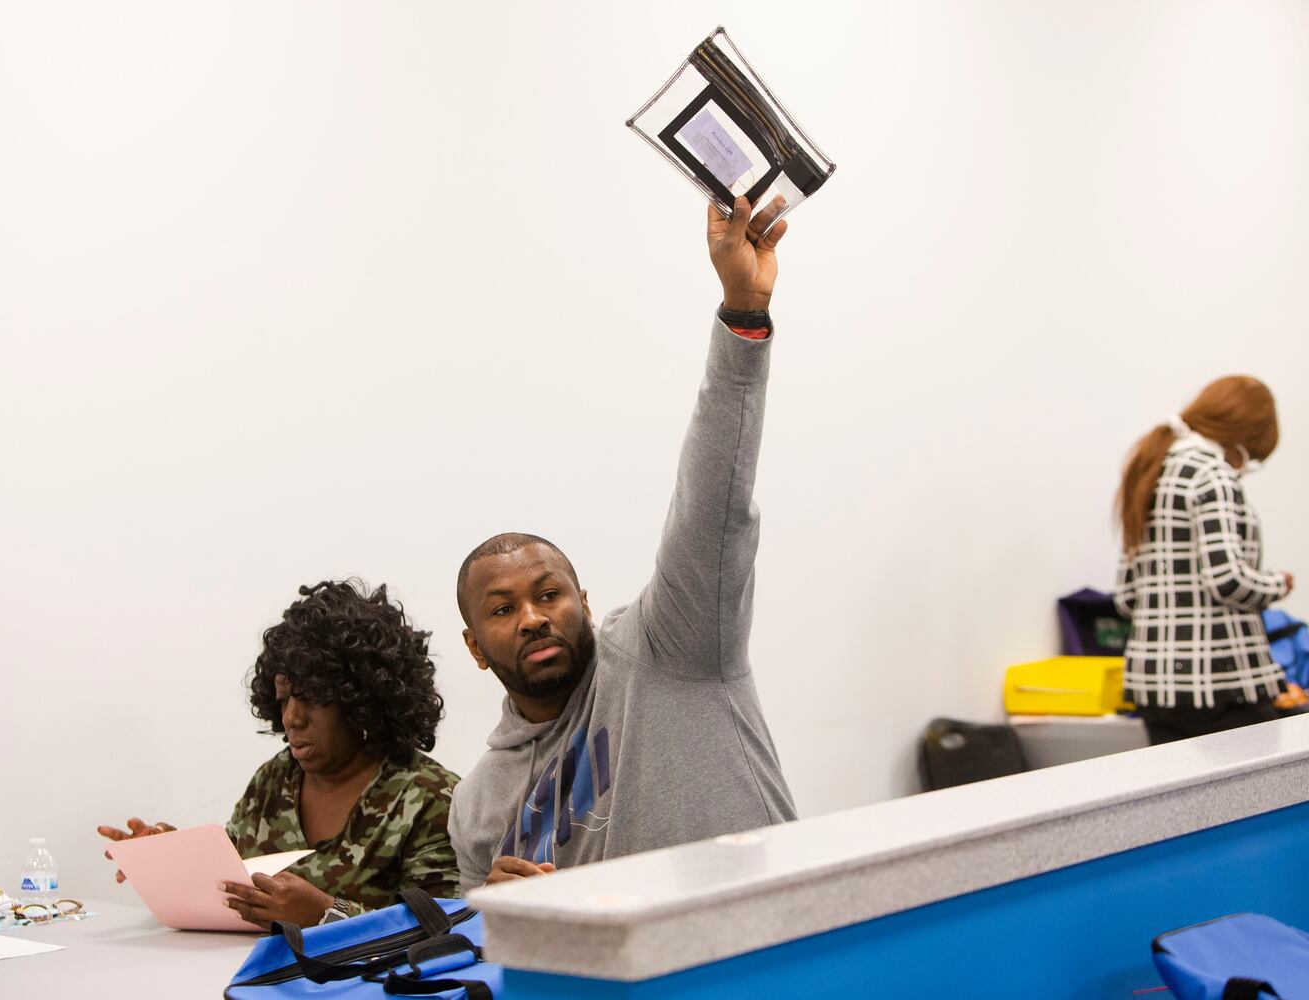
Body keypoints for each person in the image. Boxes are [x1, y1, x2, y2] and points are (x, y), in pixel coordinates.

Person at [448, 196, 799, 890]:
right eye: (501, 608)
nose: (532, 617)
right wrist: (502, 916)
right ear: (474, 646)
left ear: (582, 599)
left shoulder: (669, 647)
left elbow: (712, 506)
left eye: (549, 594)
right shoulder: (479, 803)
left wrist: (742, 312)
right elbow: (475, 952)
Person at [98, 579, 460, 927]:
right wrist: (174, 859)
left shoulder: (430, 797)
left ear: (362, 700)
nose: (291, 717)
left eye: (312, 697)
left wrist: (325, 914)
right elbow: (232, 884)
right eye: (284, 698)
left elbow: (440, 929)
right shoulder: (275, 781)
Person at [1113, 377, 1295, 745]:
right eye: (1254, 457)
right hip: (1222, 682)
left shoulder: (1151, 469)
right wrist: (1279, 583)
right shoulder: (1212, 474)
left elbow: (1128, 596)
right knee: (1258, 797)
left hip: (1154, 686)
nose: (1247, 466)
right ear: (1242, 437)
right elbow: (1227, 579)